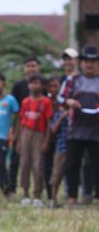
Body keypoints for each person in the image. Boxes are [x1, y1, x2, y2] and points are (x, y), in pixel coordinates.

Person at [63, 45, 99, 207]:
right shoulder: (73, 80)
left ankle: (96, 197)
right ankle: (72, 197)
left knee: (96, 165)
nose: (90, 64)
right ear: (81, 63)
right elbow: (60, 98)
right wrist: (69, 101)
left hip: (96, 131)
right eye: (86, 61)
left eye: (93, 61)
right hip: (75, 131)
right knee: (72, 164)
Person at [14, 74, 53, 206]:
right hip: (26, 133)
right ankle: (25, 194)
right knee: (24, 164)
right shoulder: (25, 101)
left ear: (42, 85)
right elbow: (21, 121)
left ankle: (37, 195)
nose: (33, 86)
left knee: (38, 165)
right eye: (31, 83)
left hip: (39, 134)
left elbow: (49, 123)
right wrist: (18, 139)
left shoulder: (46, 101)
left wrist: (46, 141)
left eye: (36, 83)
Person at [46, 75, 68, 208]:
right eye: (51, 86)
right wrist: (63, 116)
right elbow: (53, 128)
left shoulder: (70, 105)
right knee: (56, 173)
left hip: (73, 144)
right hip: (60, 144)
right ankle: (53, 198)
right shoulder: (55, 108)